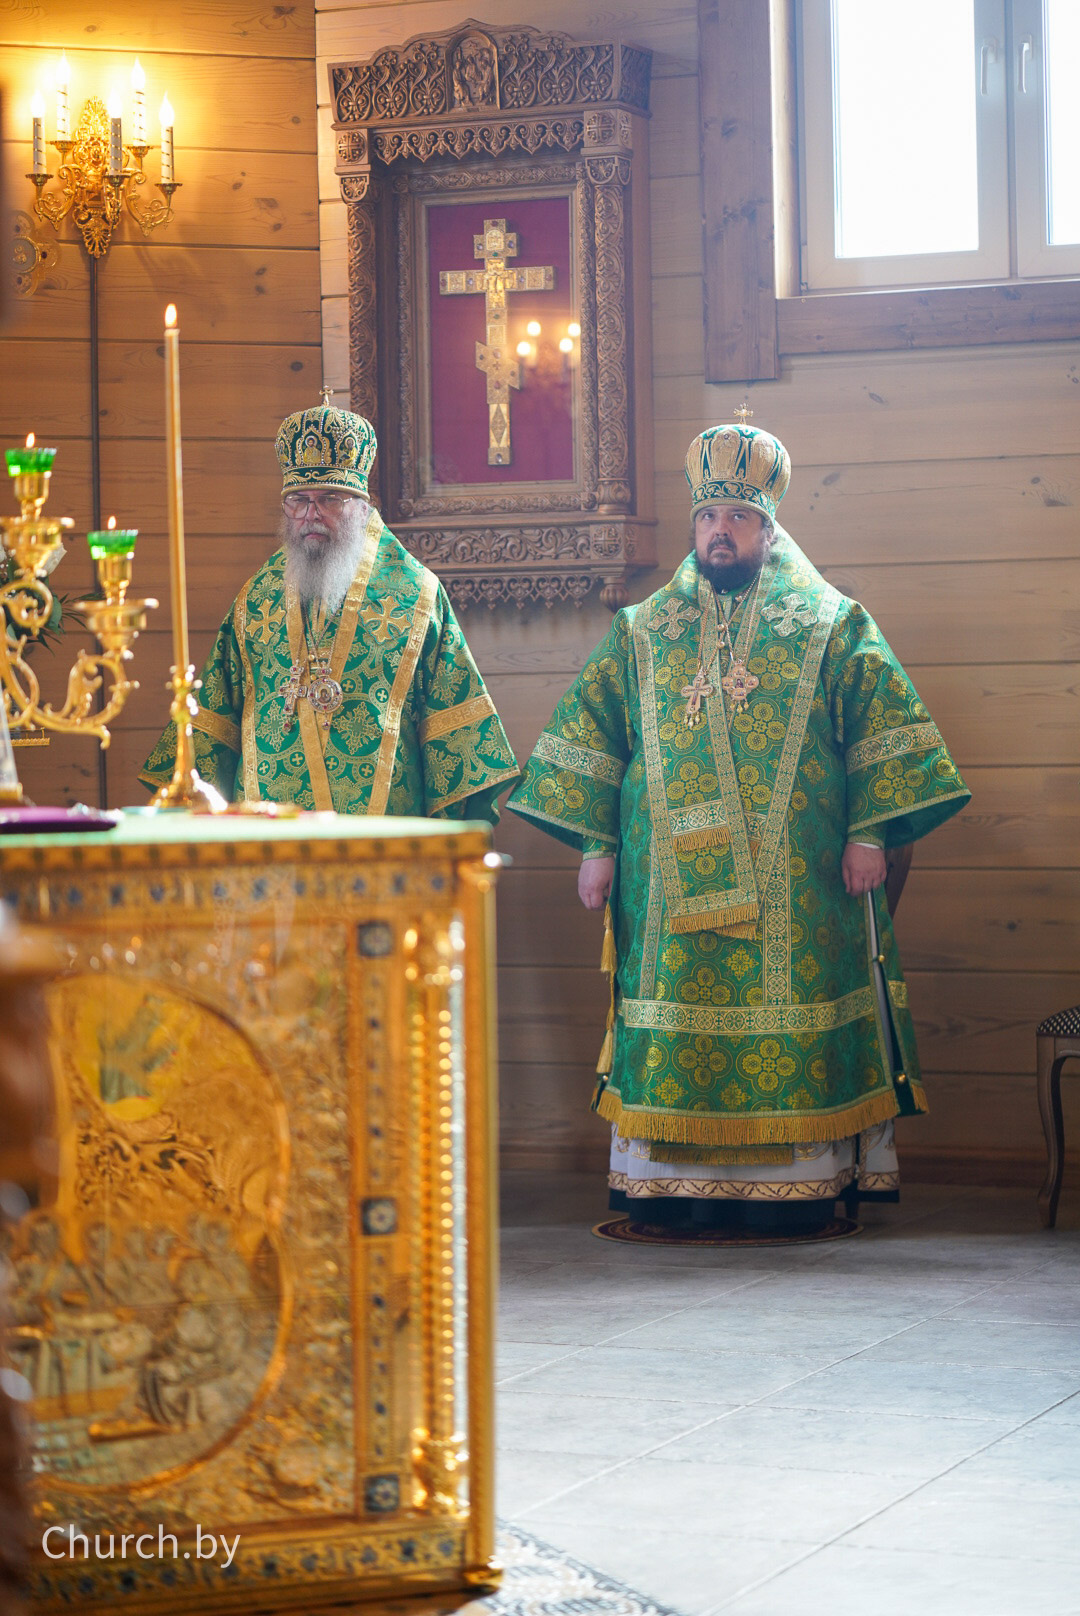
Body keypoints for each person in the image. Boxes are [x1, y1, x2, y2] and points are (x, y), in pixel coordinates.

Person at [508, 421, 970, 1234]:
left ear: (768, 526)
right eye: (708, 517)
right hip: (663, 884)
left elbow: (884, 730)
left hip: (800, 878)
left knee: (793, 1008)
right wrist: (596, 847)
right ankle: (669, 1191)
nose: (719, 531)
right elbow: (596, 739)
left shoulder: (830, 622)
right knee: (673, 1015)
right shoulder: (642, 629)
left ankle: (801, 1188)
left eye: (737, 518)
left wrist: (870, 833)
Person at [141, 402, 519, 820]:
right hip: (268, 839)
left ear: (360, 505)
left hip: (384, 842)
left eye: (329, 500)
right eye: (298, 500)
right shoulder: (256, 600)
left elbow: (456, 735)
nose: (310, 515)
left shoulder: (416, 597)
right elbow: (215, 721)